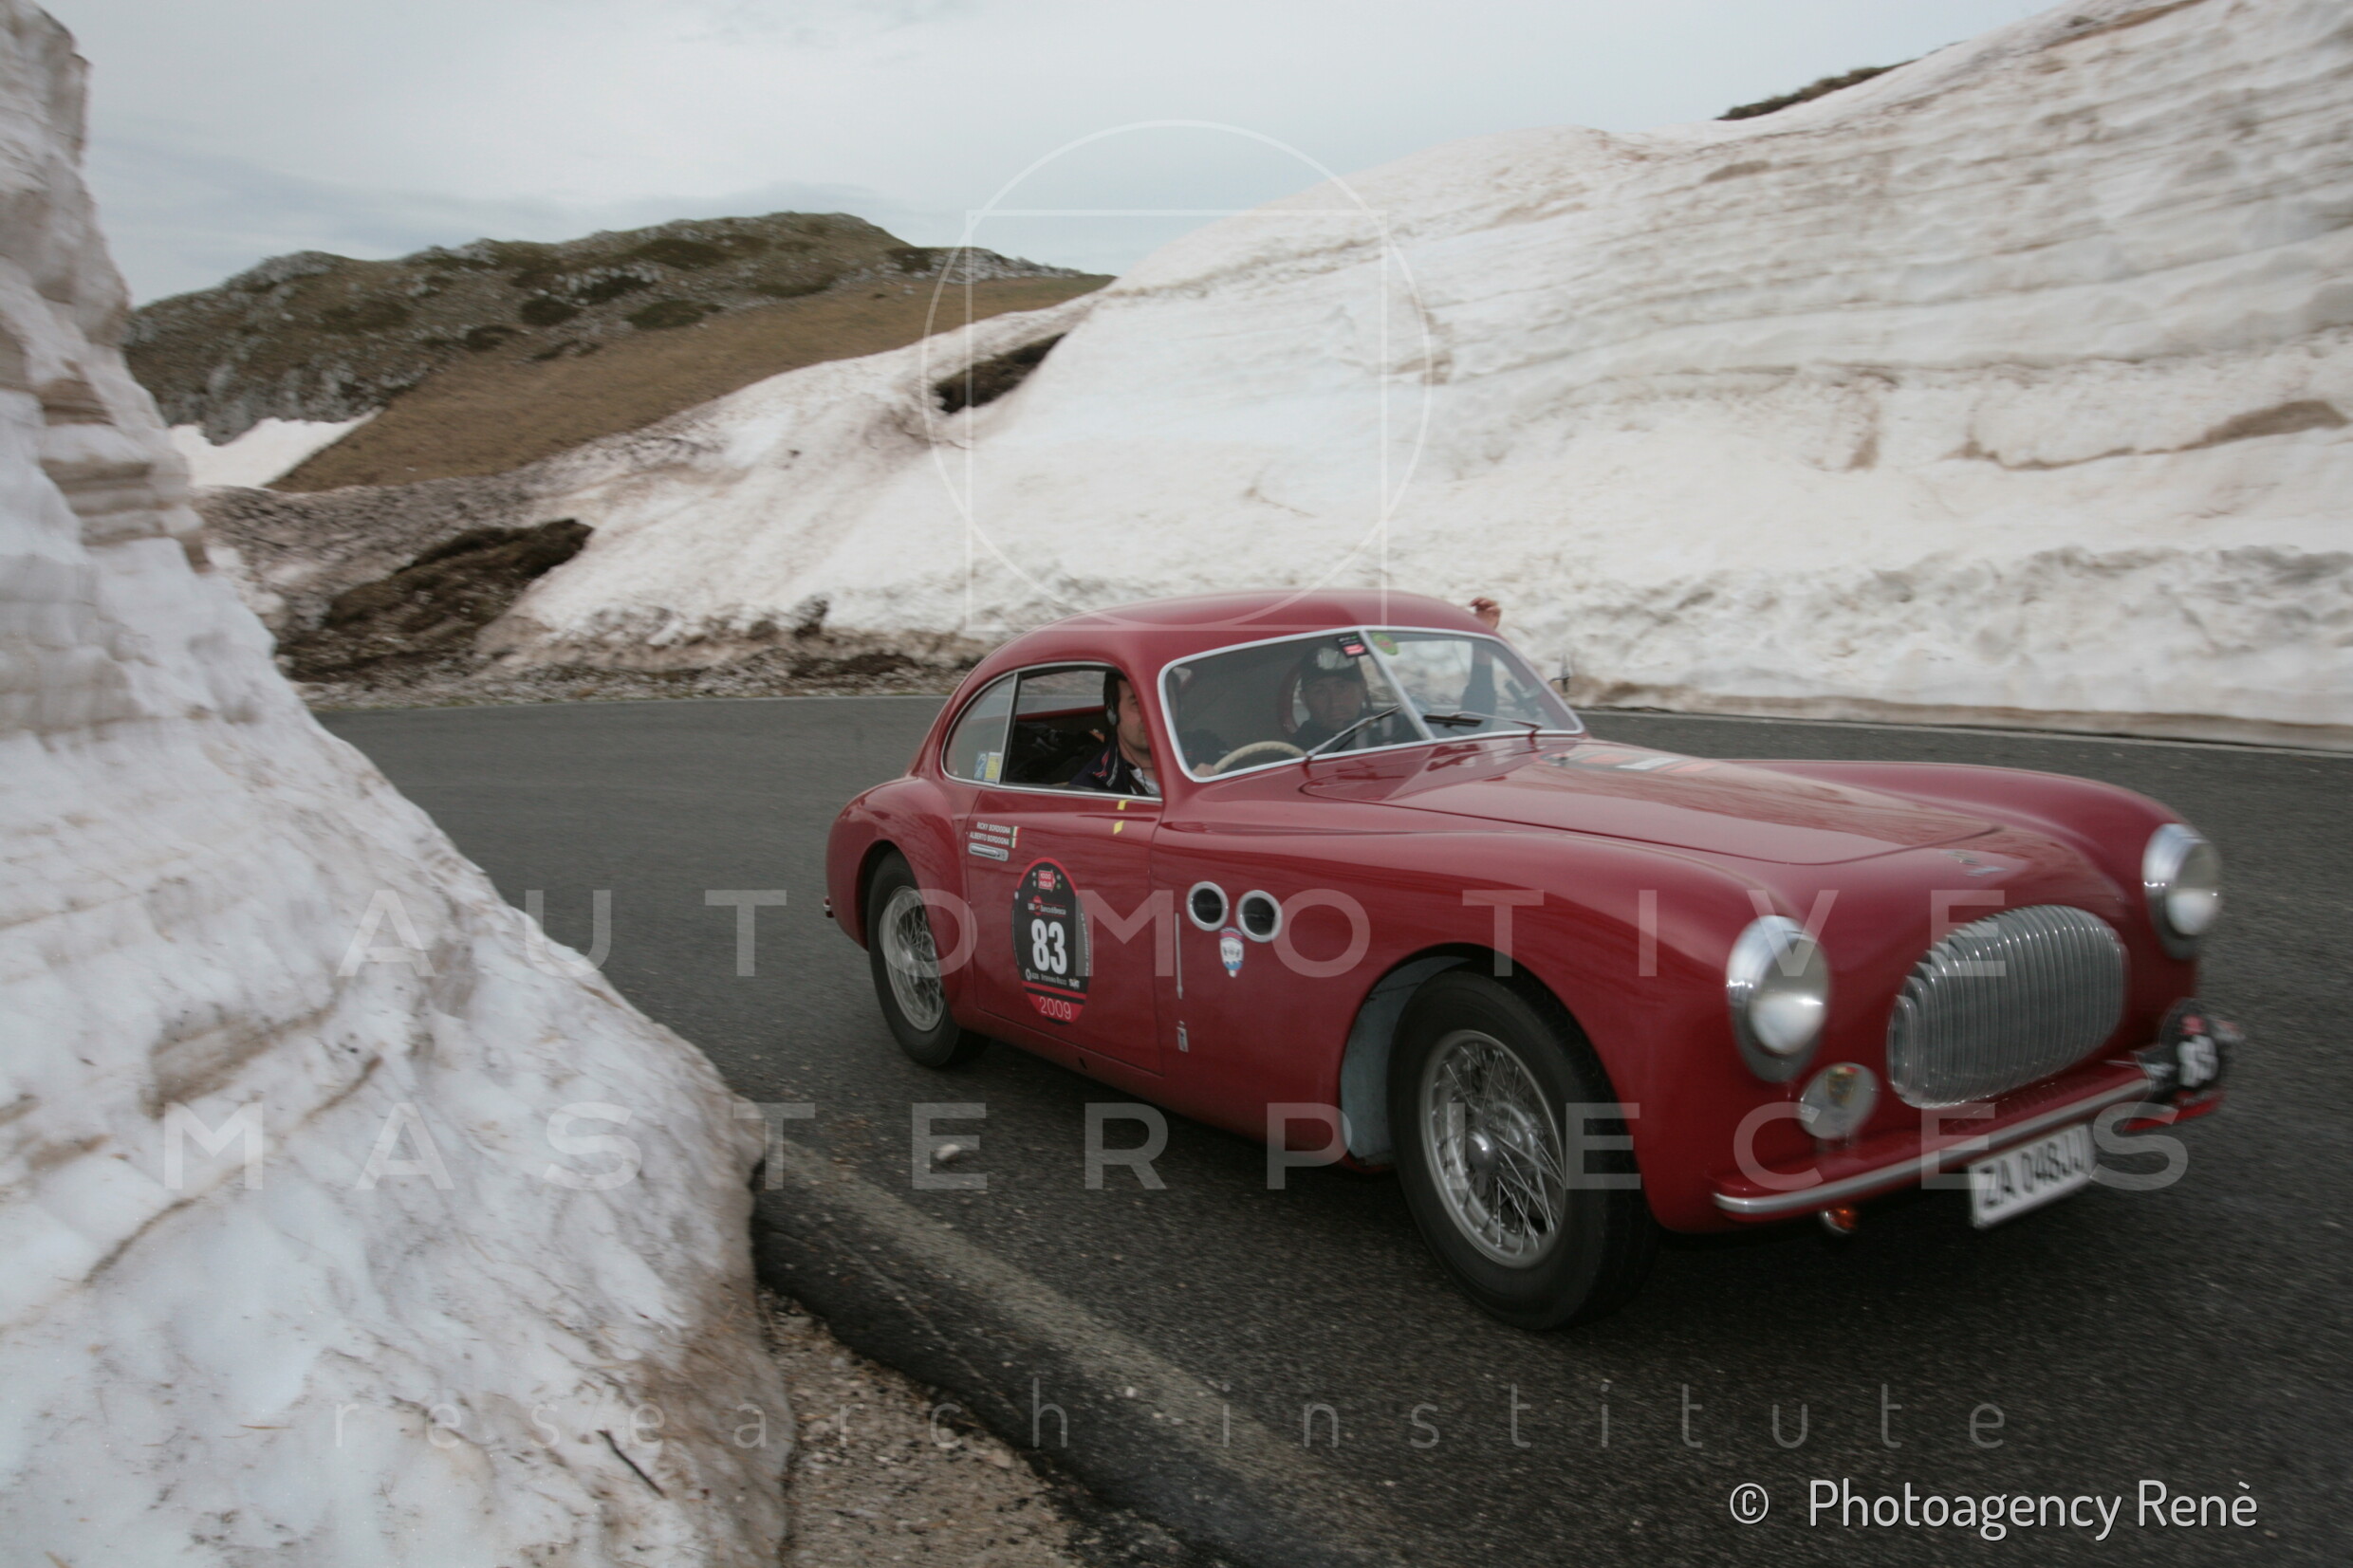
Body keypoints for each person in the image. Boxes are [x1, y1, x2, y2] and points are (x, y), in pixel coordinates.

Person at [1069, 671, 1159, 796]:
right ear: (1113, 714)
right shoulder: (1091, 791)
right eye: (1138, 704)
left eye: (1163, 700)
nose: (1153, 715)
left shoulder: (1190, 759)